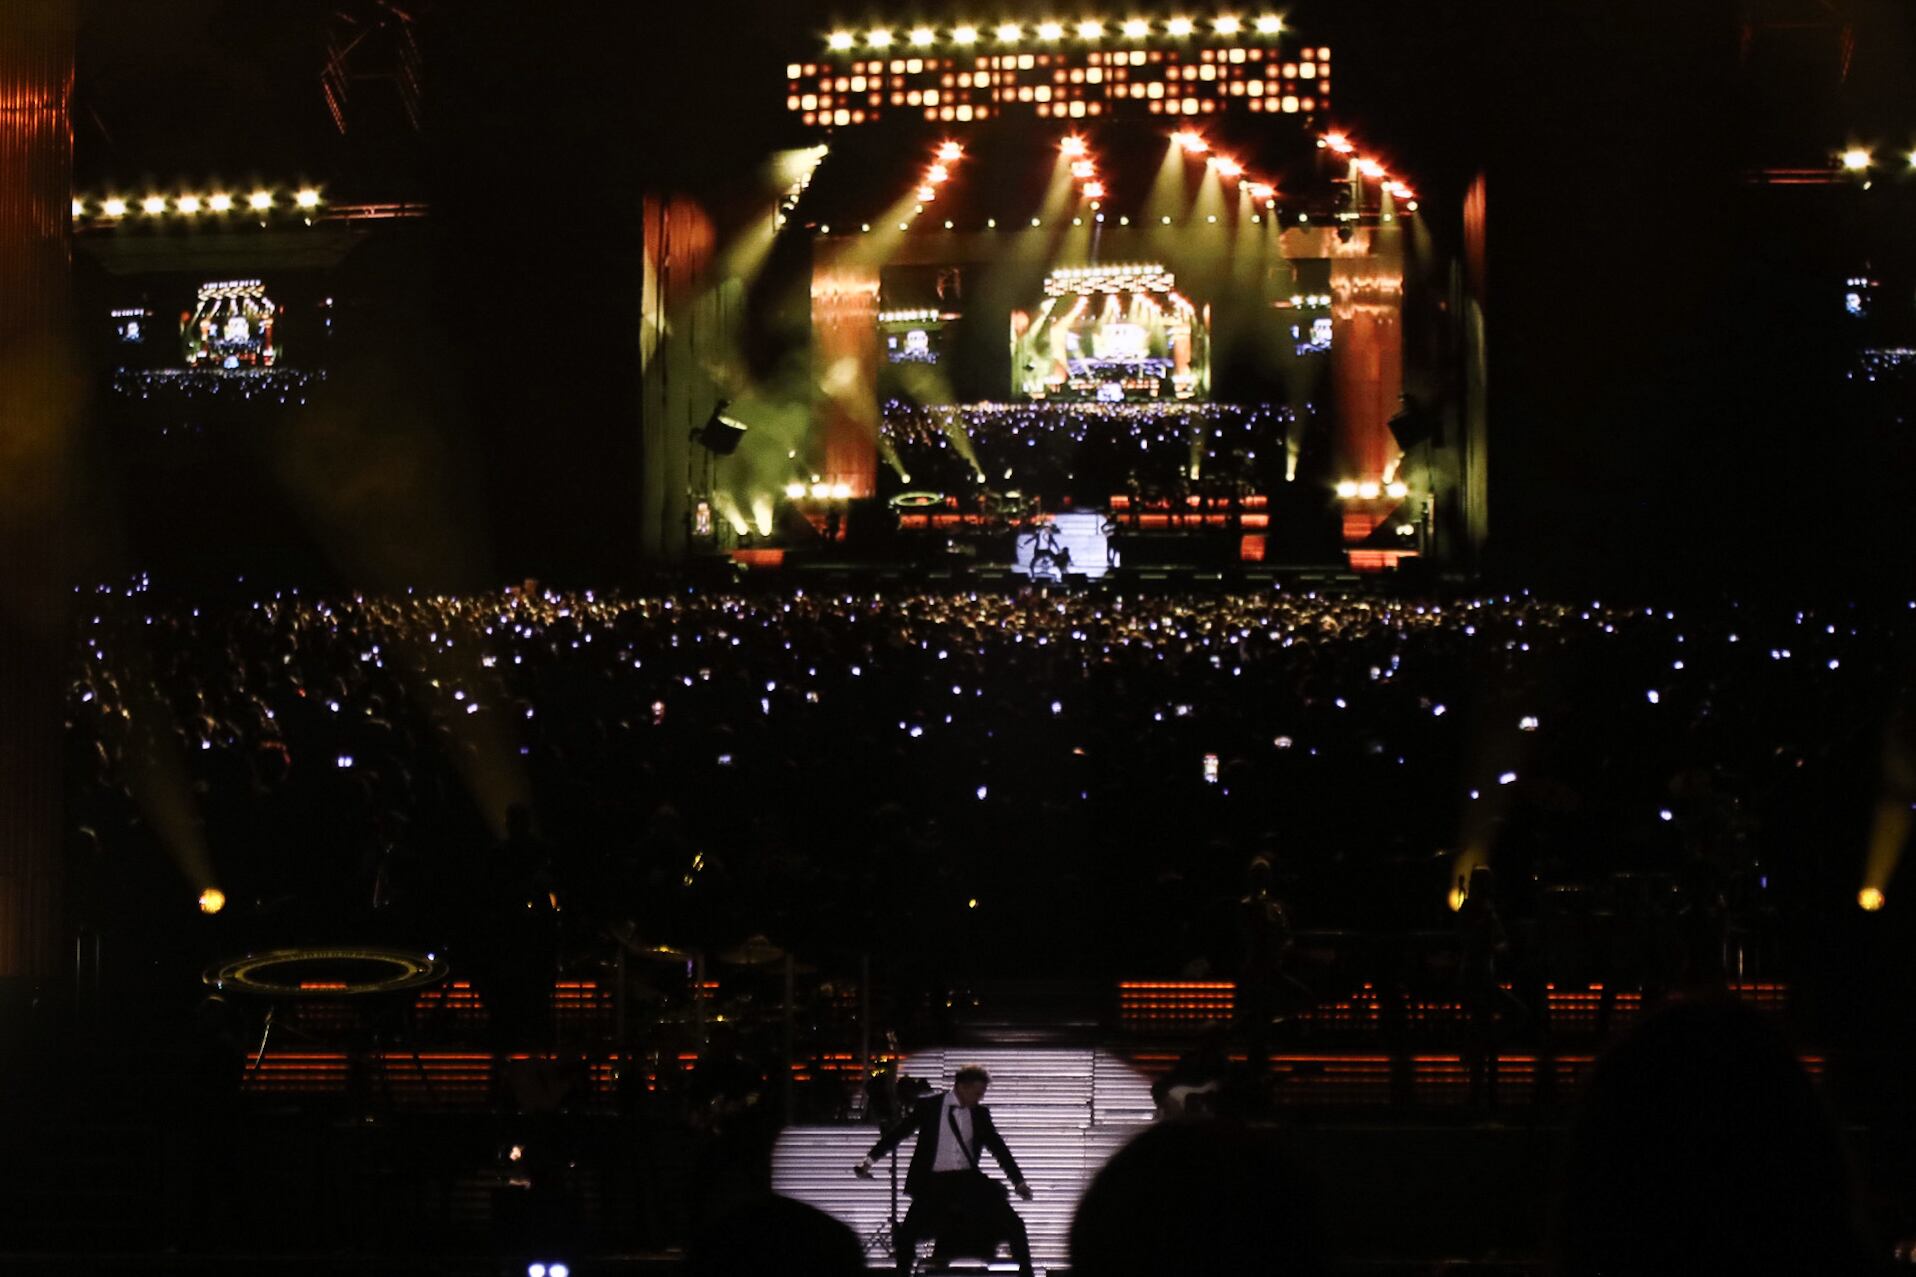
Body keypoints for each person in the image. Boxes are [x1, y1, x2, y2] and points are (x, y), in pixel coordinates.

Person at [854, 1064, 1035, 1277]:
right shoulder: (930, 1107)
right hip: (934, 1181)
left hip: (967, 1179)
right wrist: (869, 1160)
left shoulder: (980, 1114)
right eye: (977, 1093)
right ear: (962, 1087)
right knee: (909, 1231)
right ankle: (903, 1272)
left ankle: (1027, 1271)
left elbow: (999, 1148)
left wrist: (1018, 1182)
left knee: (1013, 1222)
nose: (979, 1098)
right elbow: (899, 1133)